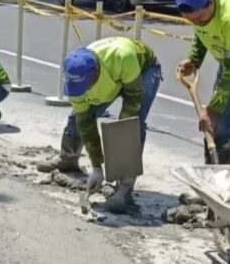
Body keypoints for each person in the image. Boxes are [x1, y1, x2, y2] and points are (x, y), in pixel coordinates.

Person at [40, 37, 161, 213]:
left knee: (131, 126)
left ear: (95, 72)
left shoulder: (122, 57)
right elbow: (86, 123)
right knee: (77, 119)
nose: (82, 90)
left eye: (85, 85)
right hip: (113, 78)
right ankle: (68, 158)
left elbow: (133, 100)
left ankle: (124, 187)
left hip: (141, 70)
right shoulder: (76, 79)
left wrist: (118, 148)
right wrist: (97, 167)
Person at [175, 0, 230, 165]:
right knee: (217, 128)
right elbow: (203, 33)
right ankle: (218, 184)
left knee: (212, 116)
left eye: (199, 19)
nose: (197, 24)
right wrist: (194, 59)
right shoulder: (199, 12)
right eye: (191, 21)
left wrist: (212, 109)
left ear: (211, 1)